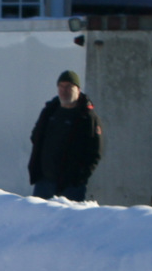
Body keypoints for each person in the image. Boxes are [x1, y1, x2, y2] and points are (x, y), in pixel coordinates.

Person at [27, 70, 103, 202]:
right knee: (38, 220)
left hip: (71, 186)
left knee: (67, 222)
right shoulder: (50, 111)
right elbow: (36, 137)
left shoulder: (86, 117)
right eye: (61, 86)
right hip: (44, 181)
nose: (64, 90)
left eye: (69, 87)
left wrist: (79, 177)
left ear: (78, 90)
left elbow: (95, 152)